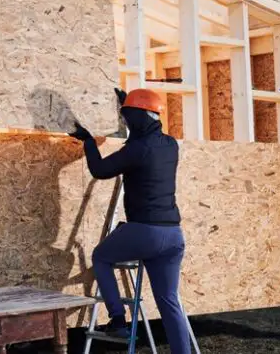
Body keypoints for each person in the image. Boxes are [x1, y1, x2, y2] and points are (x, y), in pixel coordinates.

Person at [70, 88, 190, 354]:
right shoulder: (170, 144)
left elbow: (100, 170)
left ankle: (117, 320)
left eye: (127, 117)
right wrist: (129, 105)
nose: (124, 122)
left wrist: (89, 141)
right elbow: (142, 129)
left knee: (101, 257)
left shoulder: (138, 149)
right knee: (169, 302)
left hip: (145, 232)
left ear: (136, 119)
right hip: (173, 235)